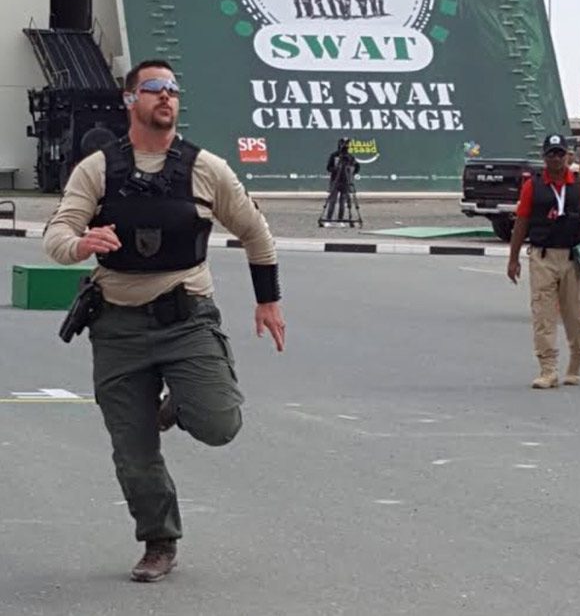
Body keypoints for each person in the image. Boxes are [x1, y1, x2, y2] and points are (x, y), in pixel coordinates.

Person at [43, 59, 285, 582]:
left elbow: (256, 232)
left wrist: (269, 302)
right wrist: (82, 243)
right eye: (153, 88)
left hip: (186, 320)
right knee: (133, 451)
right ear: (131, 100)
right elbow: (57, 235)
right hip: (118, 329)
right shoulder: (98, 169)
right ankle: (159, 540)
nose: (166, 97)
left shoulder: (206, 168)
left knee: (220, 424)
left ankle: (184, 398)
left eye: (173, 88)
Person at [507, 133, 580, 389]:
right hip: (543, 257)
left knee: (577, 314)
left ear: (568, 156)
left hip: (573, 259)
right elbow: (522, 222)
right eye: (551, 154)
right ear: (544, 157)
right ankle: (547, 368)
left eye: (560, 154)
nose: (556, 159)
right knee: (543, 314)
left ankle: (576, 362)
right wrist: (513, 258)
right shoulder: (533, 186)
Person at [324, 137, 360, 221]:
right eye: (343, 143)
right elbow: (328, 167)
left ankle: (341, 219)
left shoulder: (350, 157)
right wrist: (336, 169)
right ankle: (328, 219)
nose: (345, 146)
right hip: (335, 181)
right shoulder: (334, 155)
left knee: (342, 202)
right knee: (332, 201)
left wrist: (351, 173)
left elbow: (357, 166)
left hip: (345, 181)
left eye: (347, 144)